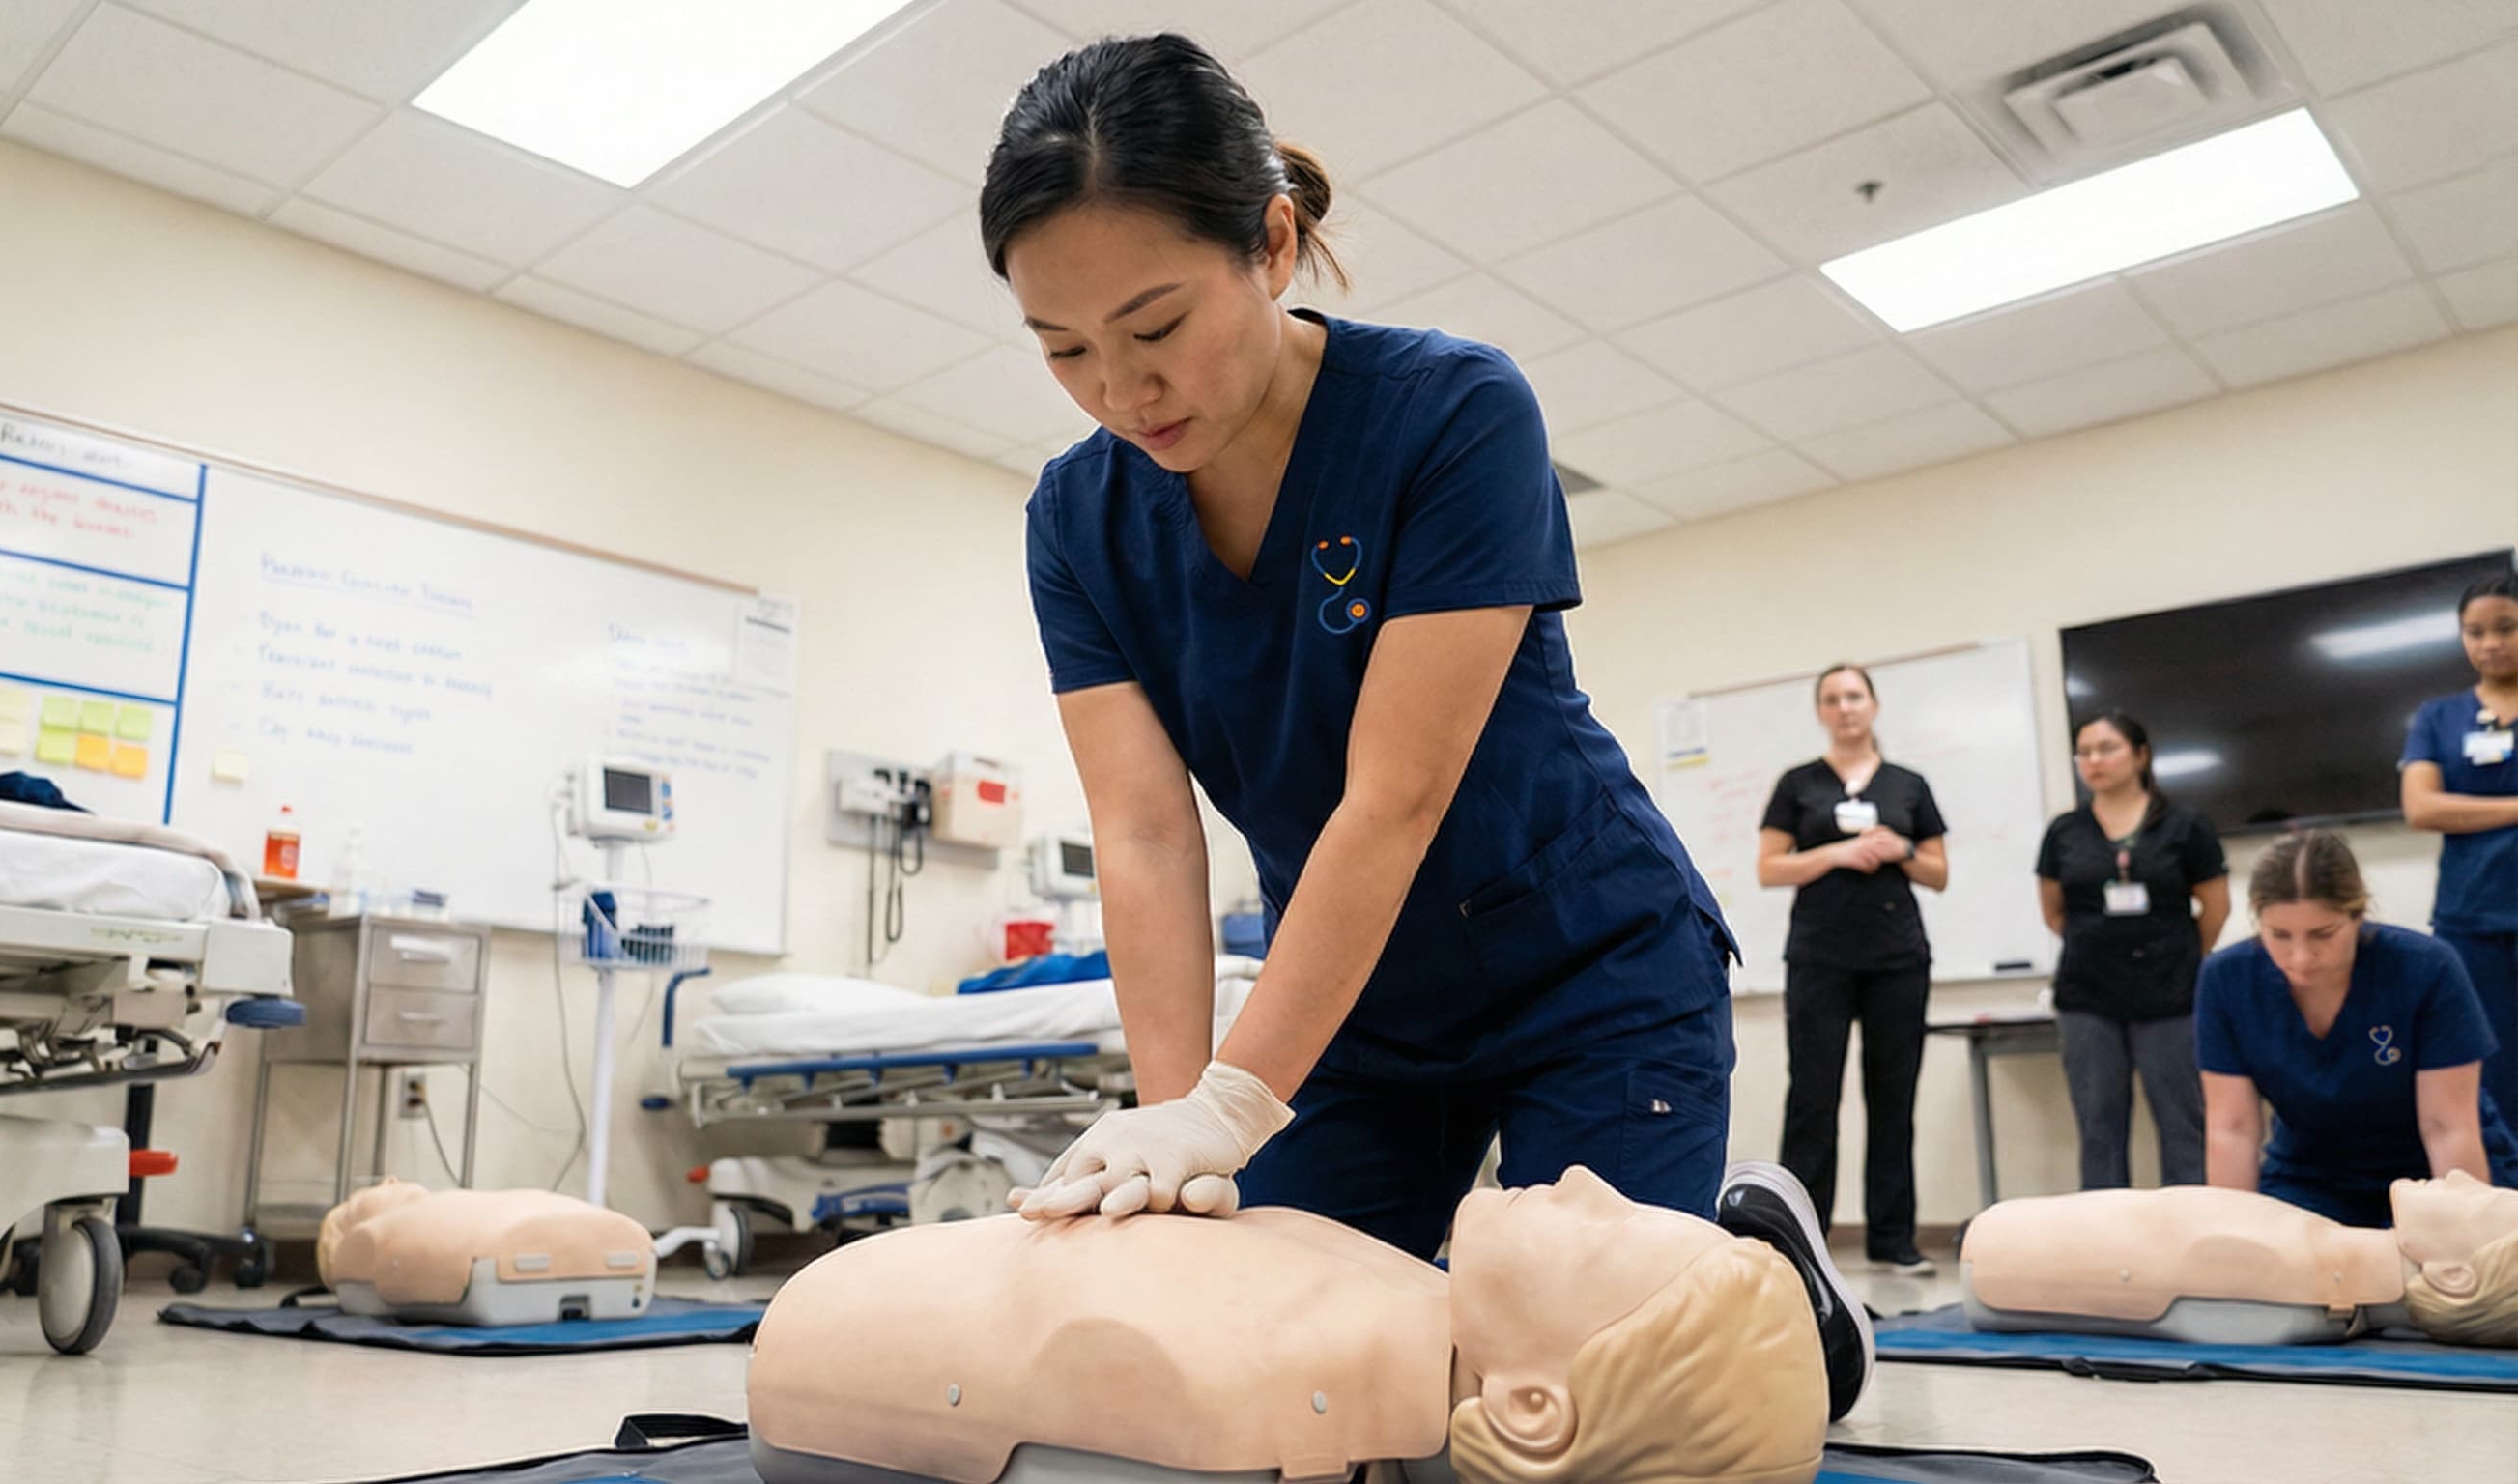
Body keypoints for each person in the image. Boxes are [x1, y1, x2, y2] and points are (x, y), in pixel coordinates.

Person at [987, 36, 1756, 1270]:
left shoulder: (1450, 414)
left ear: (1274, 246)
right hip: (1351, 1008)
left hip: (1585, 966)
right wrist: (1179, 1140)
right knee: (1281, 1351)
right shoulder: (1075, 521)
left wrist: (1233, 1110)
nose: (1124, 389)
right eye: (1065, 348)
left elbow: (1390, 804)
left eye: (1156, 325)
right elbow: (1142, 833)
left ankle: (1784, 1302)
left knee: (1563, 1368)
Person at [747, 1165, 1838, 1484]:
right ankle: (1826, 1350)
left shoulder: (1263, 1416)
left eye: (1599, 1228)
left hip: (838, 1341)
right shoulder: (1408, 1310)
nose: (1589, 1180)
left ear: (1533, 1408)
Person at [2197, 830, 2518, 1227]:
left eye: (2323, 934)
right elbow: (2234, 1130)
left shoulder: (2427, 967)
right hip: (2312, 1175)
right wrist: (2235, 1239)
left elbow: (2447, 1128)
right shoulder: (2225, 979)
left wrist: (2462, 1239)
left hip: (2432, 1172)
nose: (2300, 957)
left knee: (2432, 1272)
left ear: (2358, 914)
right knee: (2284, 1265)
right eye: (2279, 935)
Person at [1757, 663, 1949, 1273]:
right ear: (1821, 711)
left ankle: (1893, 1240)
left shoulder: (1908, 784)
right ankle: (1802, 1243)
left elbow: (1938, 872)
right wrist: (1838, 852)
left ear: (1873, 705)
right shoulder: (1798, 784)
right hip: (1820, 958)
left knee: (1893, 1099)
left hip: (1897, 958)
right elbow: (1769, 867)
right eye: (1833, 699)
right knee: (1813, 1099)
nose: (1845, 708)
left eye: (1854, 696)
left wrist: (1902, 849)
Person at [1959, 1172, 2518, 1349]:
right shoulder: (2315, 1259)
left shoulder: (2302, 1275)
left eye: (2483, 1201)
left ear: (2454, 1277)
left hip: (1995, 1258)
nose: (2466, 1178)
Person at [2036, 712, 2229, 1188]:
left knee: (2185, 1125)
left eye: (2107, 748)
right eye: (2083, 752)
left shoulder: (2186, 825)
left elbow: (2216, 908)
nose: (2093, 761)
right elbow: (2055, 913)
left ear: (2140, 755)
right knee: (2098, 1128)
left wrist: (2173, 956)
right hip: (2087, 997)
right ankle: (2108, 1245)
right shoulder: (2065, 831)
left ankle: (2190, 1239)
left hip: (2170, 996)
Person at [2402, 572, 2518, 1123]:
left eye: (2506, 628)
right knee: (2485, 1068)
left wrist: (2467, 807)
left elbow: (2446, 804)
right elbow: (2421, 808)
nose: (2490, 643)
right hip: (2469, 919)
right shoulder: (2437, 716)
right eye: (2474, 632)